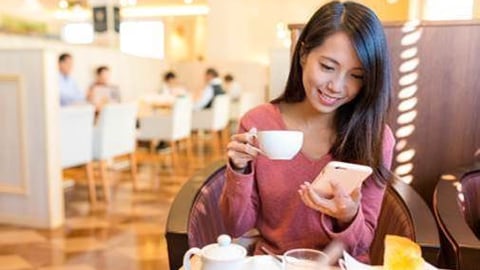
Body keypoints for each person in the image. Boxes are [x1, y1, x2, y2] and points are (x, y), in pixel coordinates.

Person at [220, 1, 394, 263]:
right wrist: (239, 170)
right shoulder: (259, 123)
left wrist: (348, 215)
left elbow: (362, 242)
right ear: (303, 55)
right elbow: (236, 226)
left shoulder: (375, 137)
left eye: (356, 75)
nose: (337, 86)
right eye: (327, 67)